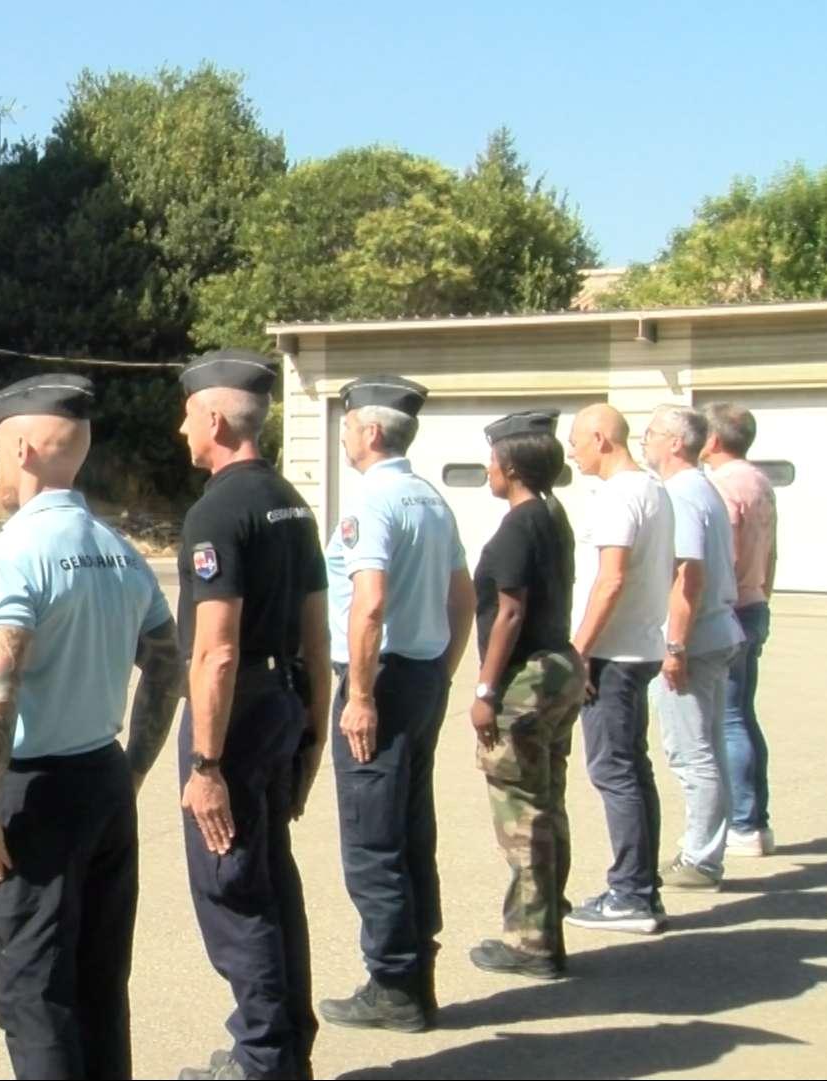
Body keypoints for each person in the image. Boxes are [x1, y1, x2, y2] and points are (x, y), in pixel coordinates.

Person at [0, 372, 182, 1081]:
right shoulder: (121, 552)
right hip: (104, 778)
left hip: (38, 795)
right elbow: (166, 666)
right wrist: (134, 768)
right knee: (96, 987)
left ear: (24, 446)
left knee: (35, 996)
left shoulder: (14, 554)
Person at [169, 349, 332, 1081]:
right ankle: (286, 1041)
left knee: (234, 886)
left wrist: (206, 765)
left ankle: (264, 1058)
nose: (180, 428)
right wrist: (313, 735)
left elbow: (217, 653)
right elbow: (318, 633)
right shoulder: (291, 502)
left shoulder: (218, 511)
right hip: (283, 704)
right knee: (271, 876)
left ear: (213, 417)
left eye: (187, 414)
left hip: (232, 720)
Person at [318, 375, 475, 1035]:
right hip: (421, 677)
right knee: (411, 831)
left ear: (371, 430)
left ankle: (393, 983)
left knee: (373, 840)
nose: (344, 431)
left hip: (378, 683)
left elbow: (369, 601)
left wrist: (358, 694)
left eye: (348, 421)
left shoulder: (373, 500)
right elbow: (462, 595)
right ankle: (417, 970)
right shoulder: (431, 499)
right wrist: (442, 667)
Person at [465, 411, 585, 981]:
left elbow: (509, 610)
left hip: (528, 676)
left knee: (522, 813)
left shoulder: (518, 525)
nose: (488, 469)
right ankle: (547, 920)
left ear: (510, 466)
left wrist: (486, 689)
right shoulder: (551, 515)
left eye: (492, 459)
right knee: (548, 801)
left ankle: (532, 940)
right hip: (560, 666)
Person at [562, 404, 675, 936]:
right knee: (633, 769)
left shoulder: (620, 496)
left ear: (603, 439)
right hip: (638, 647)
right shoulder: (652, 489)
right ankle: (640, 887)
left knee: (615, 772)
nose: (571, 452)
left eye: (577, 441)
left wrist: (579, 651)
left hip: (614, 655)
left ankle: (631, 894)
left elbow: (610, 581)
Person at [640, 405, 744, 892]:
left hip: (695, 639)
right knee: (710, 748)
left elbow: (688, 575)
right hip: (717, 632)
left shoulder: (681, 495)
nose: (646, 441)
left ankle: (700, 858)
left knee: (691, 752)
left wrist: (674, 645)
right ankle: (707, 851)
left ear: (676, 443)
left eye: (653, 433)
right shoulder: (703, 489)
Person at [701, 402, 779, 857]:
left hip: (731, 608)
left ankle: (745, 823)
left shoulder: (724, 486)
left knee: (727, 719)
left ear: (712, 440)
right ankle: (756, 820)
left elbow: (722, 557)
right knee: (742, 715)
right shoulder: (760, 482)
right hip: (755, 603)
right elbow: (772, 551)